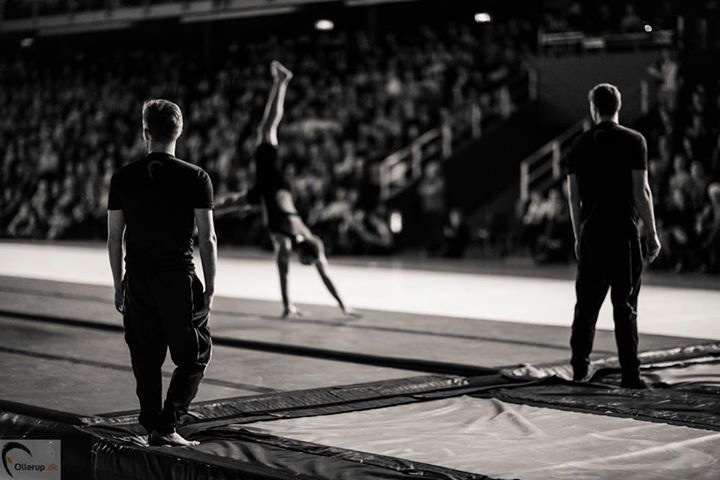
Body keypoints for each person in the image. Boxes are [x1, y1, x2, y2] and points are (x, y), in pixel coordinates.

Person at [107, 99, 217, 447]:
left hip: (138, 277)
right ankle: (167, 424)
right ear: (179, 130)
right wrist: (211, 287)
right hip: (176, 277)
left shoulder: (123, 177)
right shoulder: (196, 177)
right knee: (195, 354)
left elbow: (114, 239)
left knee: (145, 355)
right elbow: (208, 237)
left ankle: (152, 423)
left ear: (145, 131)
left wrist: (117, 285)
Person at [566, 83, 661, 389]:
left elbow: (573, 196)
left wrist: (578, 235)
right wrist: (652, 233)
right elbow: (641, 191)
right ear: (619, 107)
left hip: (593, 232)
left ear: (593, 108)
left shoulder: (579, 145)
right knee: (625, 305)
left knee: (587, 306)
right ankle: (630, 374)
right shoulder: (635, 141)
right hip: (624, 232)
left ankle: (580, 368)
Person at [252, 61, 356, 318]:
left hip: (278, 189)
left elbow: (321, 270)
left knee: (267, 131)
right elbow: (288, 270)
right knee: (266, 130)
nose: (306, 265)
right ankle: (281, 82)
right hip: (272, 186)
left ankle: (281, 82)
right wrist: (342, 305)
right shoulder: (289, 239)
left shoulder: (309, 238)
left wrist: (343, 304)